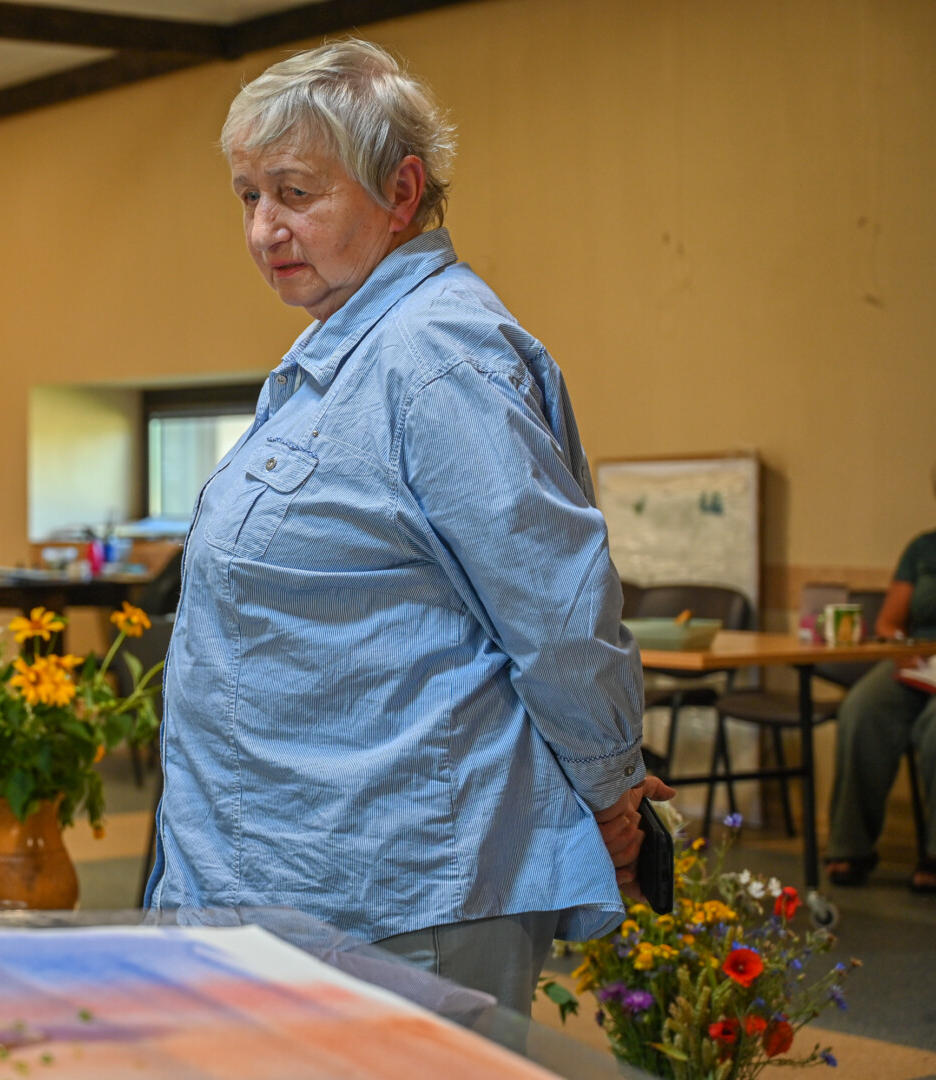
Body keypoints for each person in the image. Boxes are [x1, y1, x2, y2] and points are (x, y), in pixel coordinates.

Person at [143, 39, 672, 1014]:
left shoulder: (437, 357)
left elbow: (555, 615)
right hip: (291, 875)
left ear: (401, 189)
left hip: (397, 892)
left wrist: (611, 795)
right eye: (248, 196)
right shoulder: (344, 349)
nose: (263, 228)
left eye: (295, 193)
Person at [826, 468, 936, 894]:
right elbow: (889, 622)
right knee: (862, 708)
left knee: (934, 731)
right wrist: (901, 646)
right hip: (918, 659)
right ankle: (851, 847)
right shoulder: (922, 549)